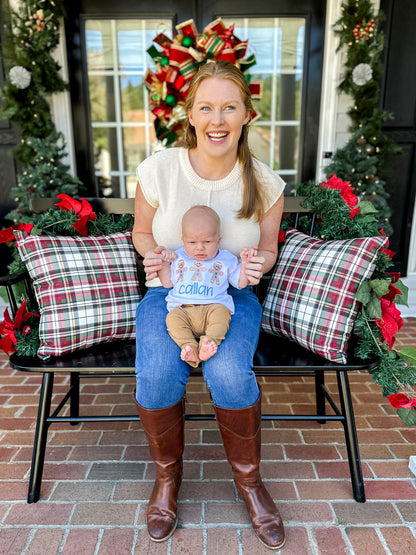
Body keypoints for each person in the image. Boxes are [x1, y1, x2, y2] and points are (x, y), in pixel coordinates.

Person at [132, 59, 286, 549]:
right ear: (191, 116)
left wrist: (259, 263)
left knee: (228, 373)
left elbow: (267, 246)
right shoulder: (159, 170)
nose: (217, 120)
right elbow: (139, 232)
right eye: (206, 108)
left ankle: (250, 483)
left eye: (229, 107)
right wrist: (151, 254)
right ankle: (167, 482)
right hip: (169, 295)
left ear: (246, 115)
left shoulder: (264, 181)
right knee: (156, 372)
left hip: (231, 296)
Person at [159, 204, 258, 367]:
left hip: (214, 307)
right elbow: (167, 282)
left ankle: (209, 344)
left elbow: (240, 284)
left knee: (222, 316)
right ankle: (189, 348)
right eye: (192, 242)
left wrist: (246, 265)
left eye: (207, 241)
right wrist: (163, 263)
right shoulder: (178, 257)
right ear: (183, 240)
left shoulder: (226, 259)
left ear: (218, 240)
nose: (200, 247)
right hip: (184, 310)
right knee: (172, 320)